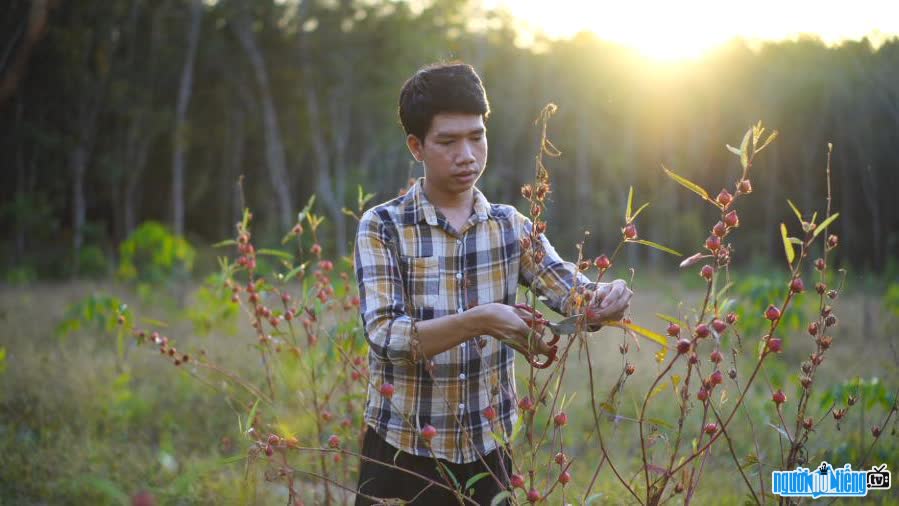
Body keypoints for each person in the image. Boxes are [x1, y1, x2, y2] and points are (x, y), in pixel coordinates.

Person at [352, 61, 632, 504]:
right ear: (416, 146)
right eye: (447, 141)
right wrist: (480, 320)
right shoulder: (383, 226)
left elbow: (570, 292)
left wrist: (604, 298)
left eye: (477, 136)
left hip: (488, 448)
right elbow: (387, 337)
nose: (466, 154)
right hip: (403, 447)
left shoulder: (509, 226)